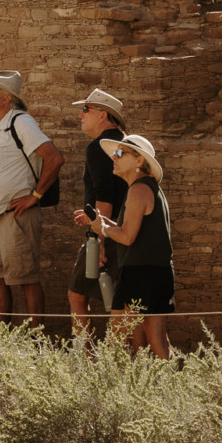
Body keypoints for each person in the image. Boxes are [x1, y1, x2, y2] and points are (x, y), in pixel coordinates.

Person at [0, 70, 64, 323]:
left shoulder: (21, 122)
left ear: (5, 97)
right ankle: (2, 337)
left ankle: (35, 341)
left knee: (26, 279)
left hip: (17, 215)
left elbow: (54, 158)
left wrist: (35, 196)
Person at [95, 133, 173, 357]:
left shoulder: (138, 190)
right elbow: (132, 230)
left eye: (120, 153)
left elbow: (127, 236)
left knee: (122, 338)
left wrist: (103, 229)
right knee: (153, 341)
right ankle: (173, 385)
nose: (114, 158)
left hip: (142, 273)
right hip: (153, 271)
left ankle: (122, 385)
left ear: (139, 161)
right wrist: (102, 224)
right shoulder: (147, 189)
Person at [68, 88, 128, 333]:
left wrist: (98, 240)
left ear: (103, 115)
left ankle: (88, 359)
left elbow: (105, 196)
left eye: (85, 110)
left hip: (106, 232)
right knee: (123, 301)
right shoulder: (124, 144)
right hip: (125, 230)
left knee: (77, 295)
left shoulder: (99, 147)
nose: (80, 115)